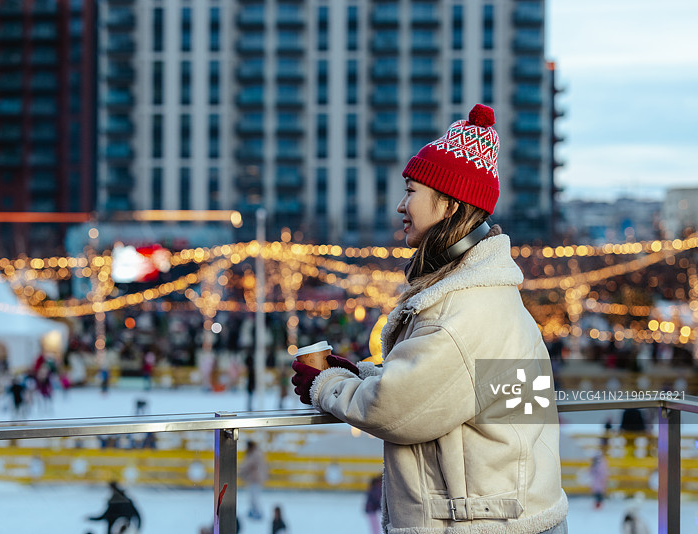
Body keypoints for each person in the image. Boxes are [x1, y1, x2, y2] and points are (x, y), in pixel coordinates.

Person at [292, 104, 568, 533]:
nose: (400, 205)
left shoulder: (462, 310)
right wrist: (362, 374)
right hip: (511, 514)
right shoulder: (491, 295)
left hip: (483, 524)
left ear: (450, 204)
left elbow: (396, 409)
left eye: (411, 191)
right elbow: (456, 391)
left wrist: (326, 385)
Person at [238, 440, 267, 520]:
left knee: (254, 497)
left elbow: (249, 465)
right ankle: (254, 511)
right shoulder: (255, 453)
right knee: (252, 497)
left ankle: (257, 512)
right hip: (253, 479)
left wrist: (242, 472)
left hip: (255, 479)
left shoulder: (255, 454)